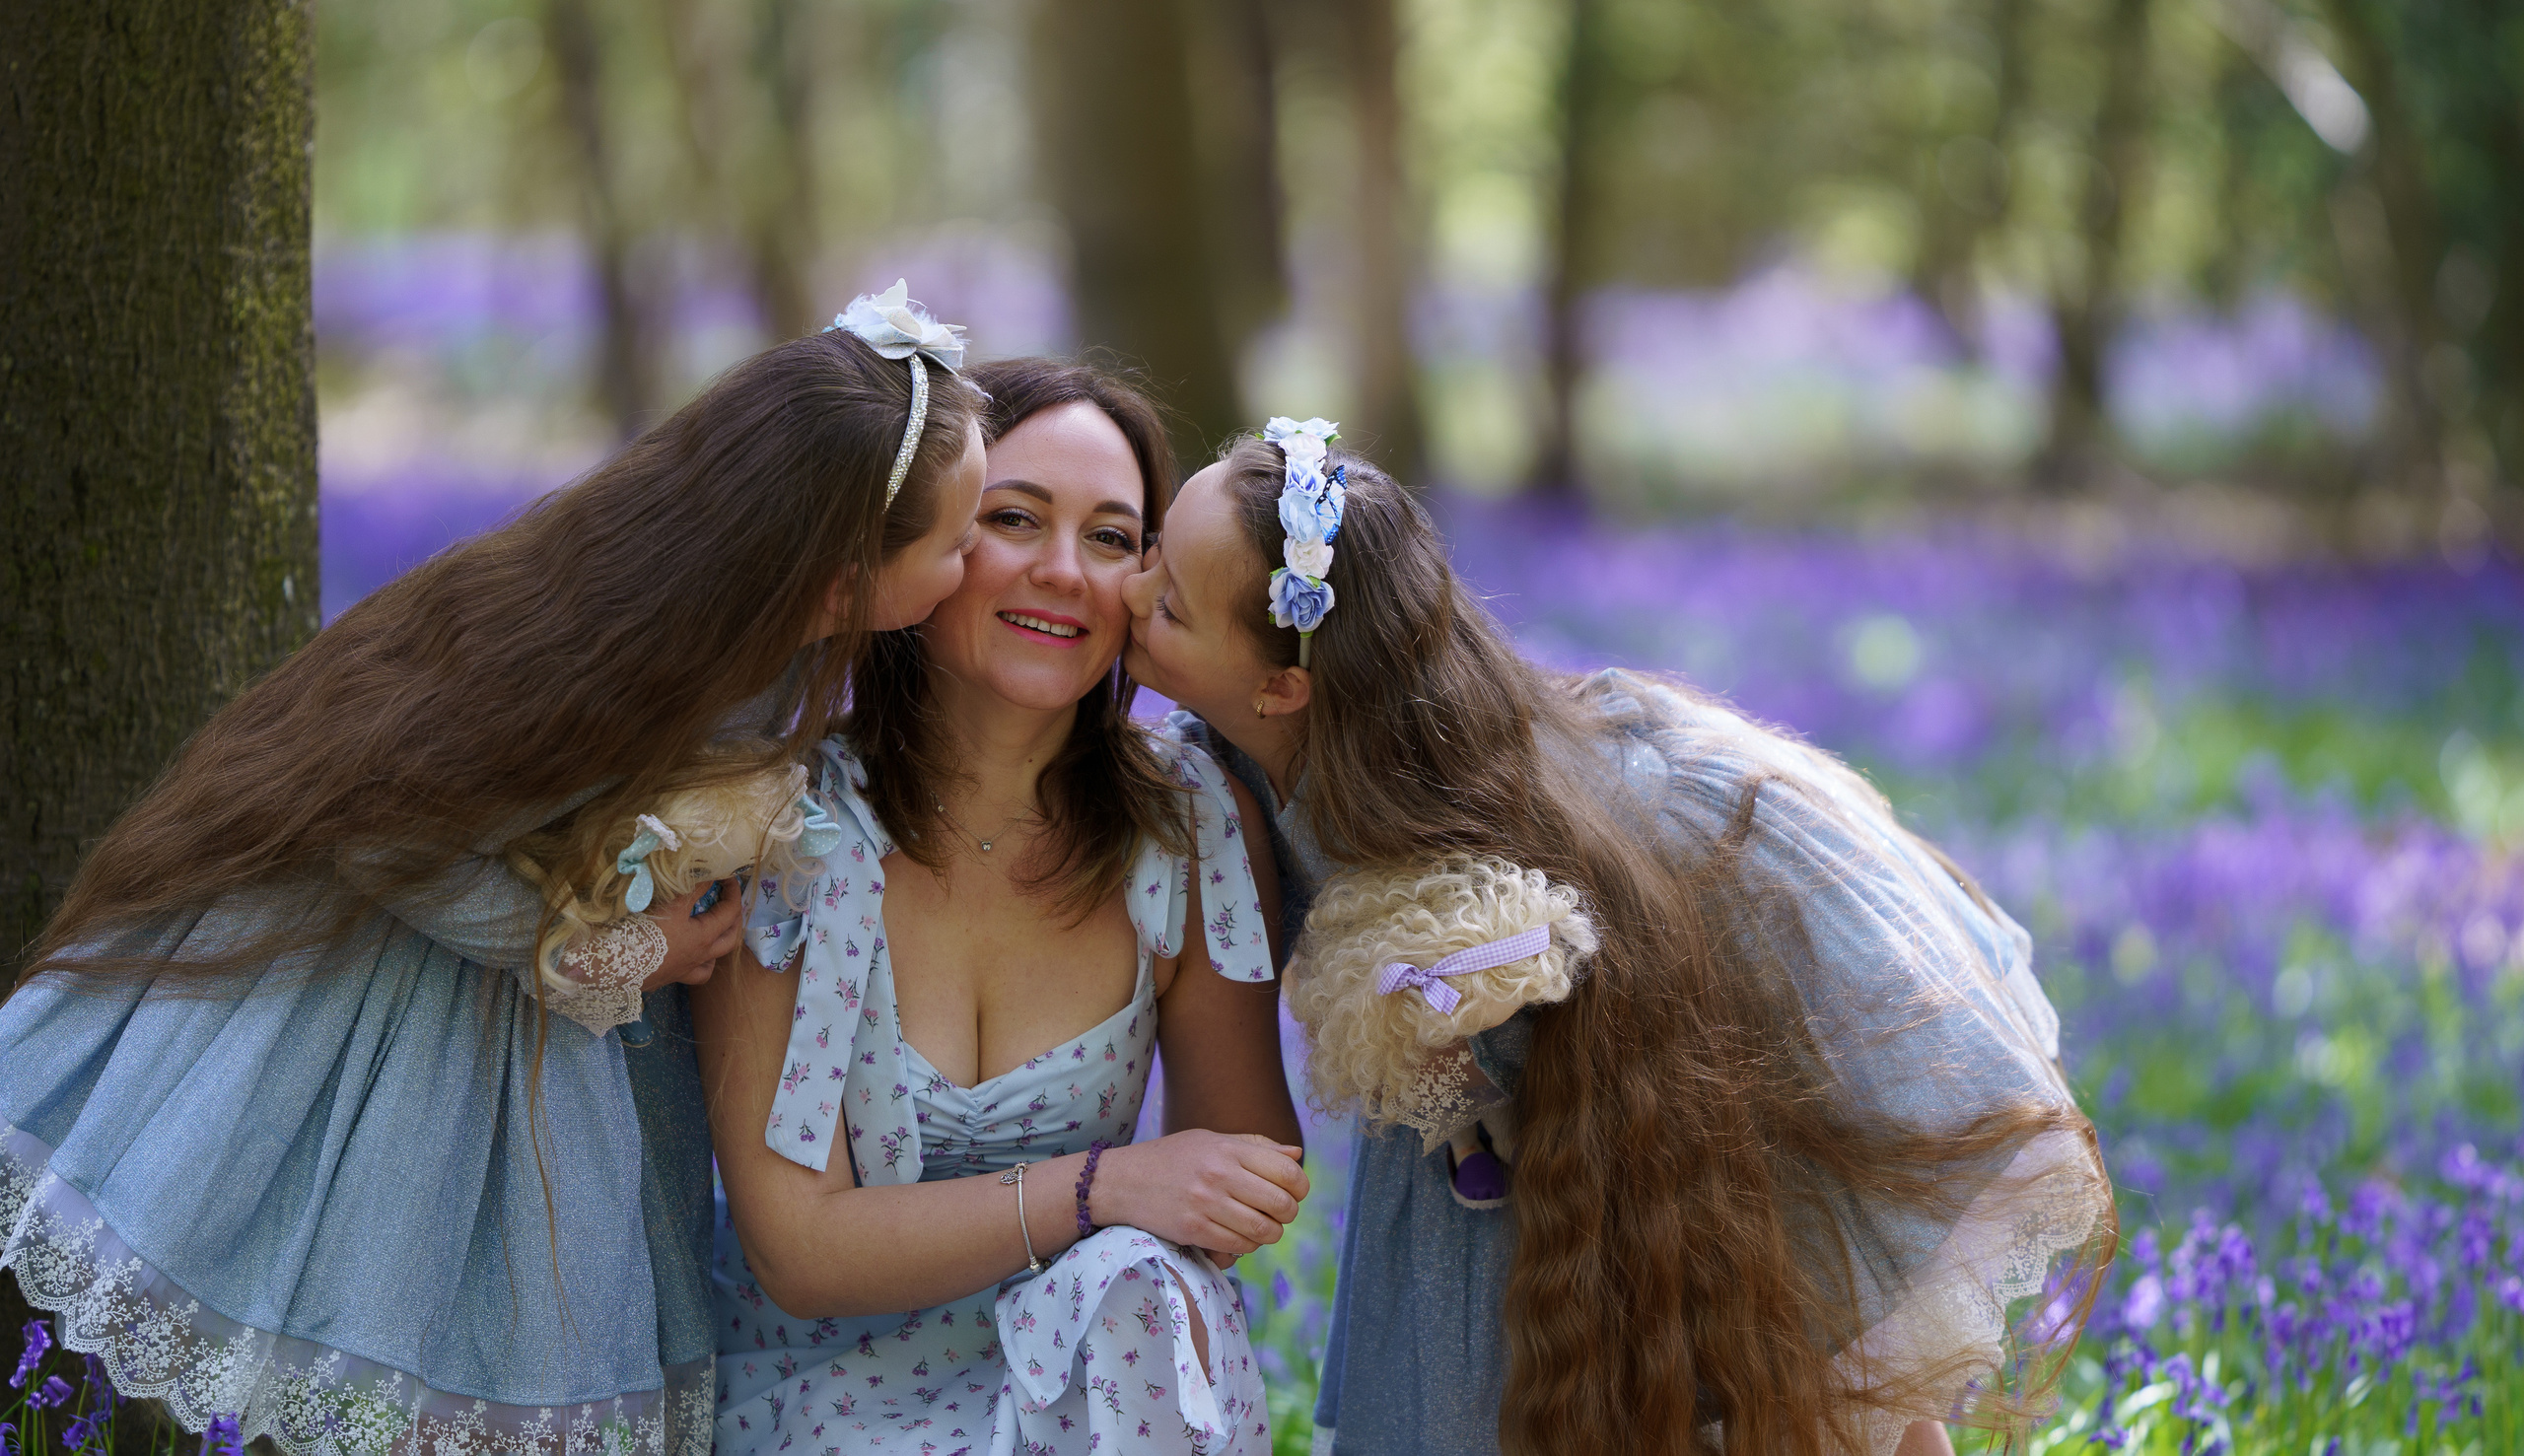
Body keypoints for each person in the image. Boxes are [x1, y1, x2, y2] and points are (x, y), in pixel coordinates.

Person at [0, 285, 987, 1456]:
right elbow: (385, 830)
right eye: (960, 542)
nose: (975, 565)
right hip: (422, 1015)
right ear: (838, 575)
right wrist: (628, 948)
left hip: (567, 1045)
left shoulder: (767, 641)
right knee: (406, 1325)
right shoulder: (638, 648)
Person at [1119, 420, 2117, 1456]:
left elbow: (1526, 998)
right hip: (1480, 1173)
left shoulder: (1448, 828)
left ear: (1283, 687)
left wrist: (1427, 1029)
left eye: (1170, 604)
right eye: (1145, 556)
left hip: (1638, 1119)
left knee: (1758, 1382)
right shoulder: (1226, 755)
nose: (1129, 595)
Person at [698, 360, 1306, 1456]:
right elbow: (797, 1249)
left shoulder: (1188, 825)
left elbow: (1246, 1165)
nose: (1065, 571)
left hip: (1094, 1387)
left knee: (1144, 1290)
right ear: (917, 547)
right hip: (822, 1399)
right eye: (1014, 519)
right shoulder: (784, 829)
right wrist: (1102, 1186)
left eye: (1115, 539)